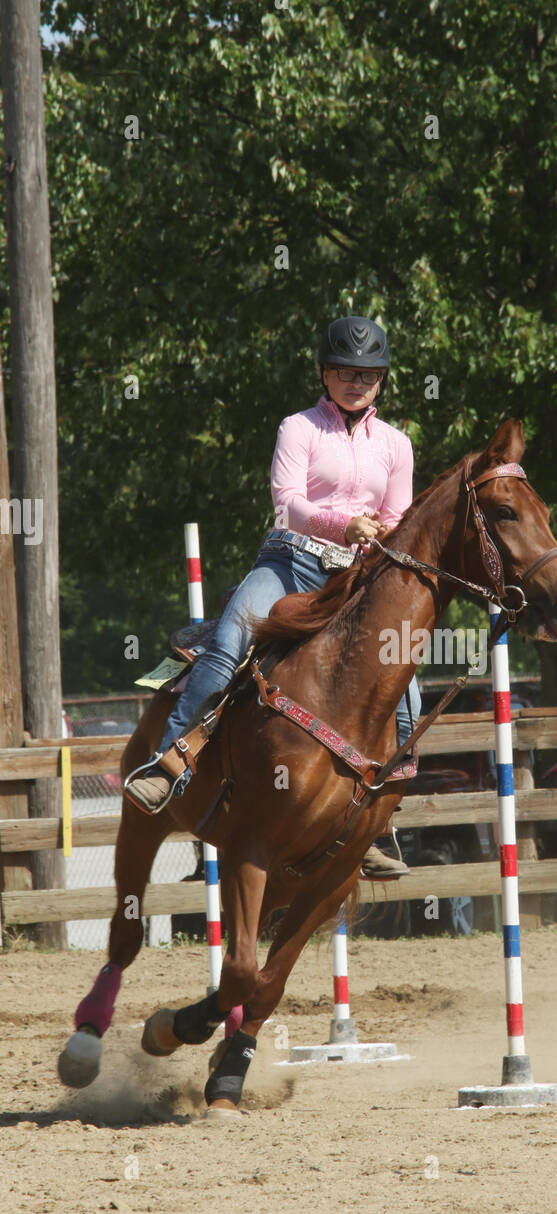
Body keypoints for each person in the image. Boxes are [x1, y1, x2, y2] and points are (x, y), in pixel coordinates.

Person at [124, 315, 421, 877]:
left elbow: (400, 518)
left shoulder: (397, 446)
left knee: (406, 686)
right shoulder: (298, 428)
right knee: (233, 633)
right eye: (344, 371)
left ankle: (378, 821)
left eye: (367, 374)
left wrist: (382, 537)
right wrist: (343, 524)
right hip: (290, 564)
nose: (356, 381)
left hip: (359, 581)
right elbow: (287, 503)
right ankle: (171, 759)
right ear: (324, 373)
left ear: (382, 380)